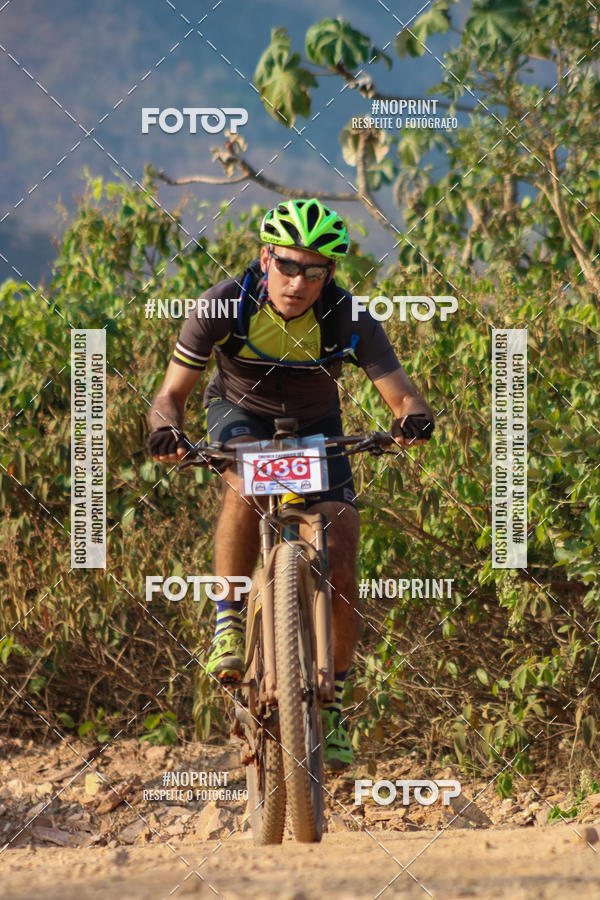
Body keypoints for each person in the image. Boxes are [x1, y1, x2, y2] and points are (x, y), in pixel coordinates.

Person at [148, 198, 434, 770]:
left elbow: (402, 394)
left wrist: (412, 419)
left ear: (329, 275)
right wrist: (166, 432)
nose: (298, 282)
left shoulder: (346, 315)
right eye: (287, 265)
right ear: (264, 258)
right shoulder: (222, 305)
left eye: (314, 270)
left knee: (343, 539)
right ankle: (228, 619)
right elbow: (169, 397)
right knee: (245, 484)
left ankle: (333, 707)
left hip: (317, 428)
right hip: (238, 413)